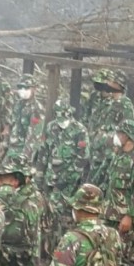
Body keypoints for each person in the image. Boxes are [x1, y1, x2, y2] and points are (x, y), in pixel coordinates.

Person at [95, 118, 134, 262]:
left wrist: (130, 217)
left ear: (127, 136)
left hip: (123, 218)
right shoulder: (118, 154)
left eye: (120, 133)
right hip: (108, 213)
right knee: (101, 254)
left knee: (119, 258)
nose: (117, 136)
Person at [35, 99, 89, 252]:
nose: (62, 122)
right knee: (48, 212)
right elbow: (43, 153)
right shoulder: (51, 127)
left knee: (62, 213)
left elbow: (82, 158)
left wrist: (68, 178)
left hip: (68, 182)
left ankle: (62, 248)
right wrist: (39, 176)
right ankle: (49, 247)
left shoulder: (79, 131)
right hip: (51, 178)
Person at [87, 70, 134, 182]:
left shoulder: (125, 105)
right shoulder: (109, 102)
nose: (108, 83)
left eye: (111, 81)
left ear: (118, 84)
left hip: (110, 152)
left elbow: (127, 131)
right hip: (98, 150)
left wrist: (113, 142)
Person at [8, 74, 45, 164]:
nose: (23, 90)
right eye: (20, 87)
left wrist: (25, 156)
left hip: (26, 152)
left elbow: (34, 136)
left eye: (26, 88)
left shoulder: (37, 109)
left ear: (34, 89)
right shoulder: (18, 104)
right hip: (13, 148)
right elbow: (12, 124)